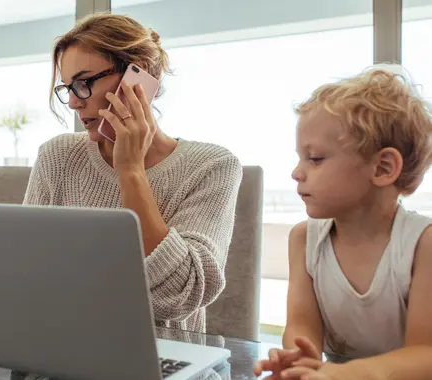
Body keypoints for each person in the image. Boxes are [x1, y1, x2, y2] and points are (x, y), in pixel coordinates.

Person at [25, 12, 243, 333]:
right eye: (68, 87)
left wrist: (131, 171)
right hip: (62, 344)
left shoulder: (212, 166)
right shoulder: (58, 156)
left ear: (138, 75)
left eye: (83, 83)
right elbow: (26, 272)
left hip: (159, 356)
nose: (73, 102)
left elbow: (177, 296)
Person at [254, 65, 432, 379]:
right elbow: (301, 327)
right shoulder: (304, 240)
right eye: (300, 157)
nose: (297, 172)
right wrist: (297, 358)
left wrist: (349, 374)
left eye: (315, 158)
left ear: (382, 168)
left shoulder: (423, 245)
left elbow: (425, 355)